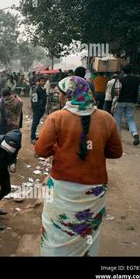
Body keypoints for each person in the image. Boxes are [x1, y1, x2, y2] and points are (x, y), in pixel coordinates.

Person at [35, 76, 122, 256]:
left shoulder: (56, 118)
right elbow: (116, 152)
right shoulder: (107, 119)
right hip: (95, 188)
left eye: (60, 93)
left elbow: (41, 150)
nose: (59, 96)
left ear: (68, 94)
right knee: (87, 231)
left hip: (62, 187)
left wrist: (61, 147)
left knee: (57, 229)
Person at [113, 65, 140, 145]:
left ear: (123, 71)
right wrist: (137, 101)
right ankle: (135, 133)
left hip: (121, 101)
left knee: (117, 118)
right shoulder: (138, 80)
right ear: (131, 71)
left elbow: (117, 92)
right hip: (132, 101)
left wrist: (114, 103)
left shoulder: (120, 80)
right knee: (130, 118)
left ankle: (118, 136)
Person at [30, 76, 47, 144]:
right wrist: (37, 109)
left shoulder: (43, 89)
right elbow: (34, 100)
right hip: (37, 109)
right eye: (42, 81)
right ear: (39, 82)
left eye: (44, 81)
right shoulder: (36, 89)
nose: (43, 82)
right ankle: (32, 138)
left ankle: (34, 136)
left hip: (41, 109)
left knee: (36, 123)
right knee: (35, 123)